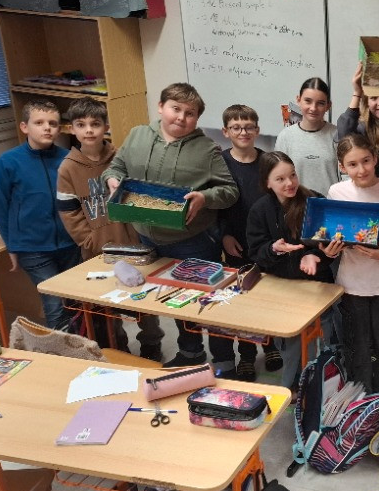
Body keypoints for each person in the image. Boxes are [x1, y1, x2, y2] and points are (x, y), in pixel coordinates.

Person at [101, 83, 239, 371]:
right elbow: (116, 167)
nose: (181, 117)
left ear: (197, 118)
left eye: (190, 113)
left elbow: (229, 191)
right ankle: (191, 353)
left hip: (193, 239)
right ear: (161, 107)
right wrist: (112, 180)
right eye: (175, 109)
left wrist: (204, 198)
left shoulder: (207, 149)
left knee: (206, 302)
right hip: (147, 237)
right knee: (169, 300)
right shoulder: (137, 135)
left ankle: (225, 361)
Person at [55, 98, 163, 355]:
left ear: (106, 126)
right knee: (108, 306)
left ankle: (152, 345)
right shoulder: (68, 168)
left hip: (136, 245)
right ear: (72, 129)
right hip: (99, 252)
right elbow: (69, 213)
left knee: (144, 302)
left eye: (95, 124)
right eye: (81, 125)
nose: (89, 130)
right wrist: (91, 241)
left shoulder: (121, 158)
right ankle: (119, 349)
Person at [245, 151, 343, 390]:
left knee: (326, 339)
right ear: (267, 182)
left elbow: (328, 243)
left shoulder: (314, 201)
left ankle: (325, 387)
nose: (289, 183)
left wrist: (321, 254)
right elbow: (256, 251)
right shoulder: (260, 210)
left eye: (292, 175)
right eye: (280, 179)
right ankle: (294, 390)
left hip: (318, 287)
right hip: (283, 289)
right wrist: (274, 249)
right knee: (291, 345)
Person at [328, 135, 379, 406]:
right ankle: (360, 406)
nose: (361, 169)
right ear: (342, 166)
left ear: (375, 158)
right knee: (357, 350)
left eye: (366, 161)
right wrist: (330, 250)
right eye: (352, 164)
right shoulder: (336, 192)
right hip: (351, 285)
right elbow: (331, 237)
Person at [0, 99, 79, 329]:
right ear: (24, 127)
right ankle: (62, 350)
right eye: (39, 123)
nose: (47, 128)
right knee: (55, 305)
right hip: (33, 249)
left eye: (53, 123)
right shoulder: (8, 162)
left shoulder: (68, 159)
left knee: (76, 302)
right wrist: (12, 245)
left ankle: (83, 346)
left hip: (70, 245)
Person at [219, 104, 279, 380]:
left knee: (268, 296)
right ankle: (246, 354)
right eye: (236, 127)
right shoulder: (220, 163)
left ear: (257, 130)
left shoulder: (267, 162)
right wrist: (224, 235)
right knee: (242, 299)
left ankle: (270, 345)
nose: (243, 132)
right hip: (236, 242)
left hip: (266, 242)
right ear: (226, 131)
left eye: (248, 127)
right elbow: (216, 205)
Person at [274, 78, 340, 197]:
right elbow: (279, 178)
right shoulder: (285, 137)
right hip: (295, 205)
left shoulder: (337, 135)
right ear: (298, 100)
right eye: (308, 101)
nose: (313, 108)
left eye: (320, 103)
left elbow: (347, 177)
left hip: (331, 205)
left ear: (328, 106)